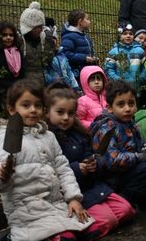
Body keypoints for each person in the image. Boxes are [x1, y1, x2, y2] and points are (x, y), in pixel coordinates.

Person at [0, 79, 94, 241]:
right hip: (26, 213)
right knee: (66, 238)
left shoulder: (48, 135)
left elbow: (63, 169)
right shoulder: (5, 137)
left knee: (90, 229)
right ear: (11, 109)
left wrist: (73, 198)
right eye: (26, 105)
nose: (33, 110)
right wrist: (2, 174)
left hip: (55, 205)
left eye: (37, 105)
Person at [45, 83, 135, 239]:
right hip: (66, 194)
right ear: (47, 112)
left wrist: (93, 164)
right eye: (60, 112)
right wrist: (78, 169)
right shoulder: (46, 139)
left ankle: (82, 224)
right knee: (108, 221)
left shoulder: (79, 134)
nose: (66, 117)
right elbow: (53, 172)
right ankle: (72, 232)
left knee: (126, 210)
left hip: (89, 187)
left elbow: (93, 155)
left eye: (71, 113)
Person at [90, 80, 146, 208]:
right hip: (112, 179)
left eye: (131, 103)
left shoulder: (131, 124)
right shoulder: (107, 128)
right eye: (121, 104)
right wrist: (140, 156)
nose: (127, 109)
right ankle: (124, 199)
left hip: (130, 172)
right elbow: (111, 161)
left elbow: (137, 146)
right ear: (110, 108)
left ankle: (136, 198)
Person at [0, 20, 25, 117]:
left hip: (17, 91)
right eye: (5, 35)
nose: (8, 38)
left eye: (11, 35)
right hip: (2, 93)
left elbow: (22, 72)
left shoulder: (18, 52)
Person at [20, 1, 56, 85]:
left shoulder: (43, 39)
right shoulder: (20, 41)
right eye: (37, 27)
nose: (40, 30)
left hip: (41, 82)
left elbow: (47, 61)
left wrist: (49, 43)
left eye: (41, 27)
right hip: (25, 84)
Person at [104, 23, 146, 96]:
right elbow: (109, 70)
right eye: (125, 33)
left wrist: (140, 79)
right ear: (120, 36)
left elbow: (145, 67)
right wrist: (119, 80)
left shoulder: (140, 51)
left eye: (131, 34)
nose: (128, 36)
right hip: (119, 89)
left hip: (136, 89)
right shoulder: (114, 52)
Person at [61, 9, 98, 81]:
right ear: (80, 21)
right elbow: (66, 54)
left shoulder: (85, 37)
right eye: (87, 19)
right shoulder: (69, 36)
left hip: (87, 72)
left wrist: (93, 59)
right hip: (76, 74)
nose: (89, 22)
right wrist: (84, 58)